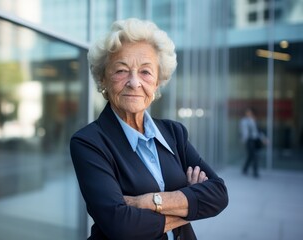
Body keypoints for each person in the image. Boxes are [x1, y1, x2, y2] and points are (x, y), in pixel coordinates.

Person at [70, 18, 229, 240]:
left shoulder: (174, 133)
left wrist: (148, 201)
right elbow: (121, 226)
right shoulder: (89, 142)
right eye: (121, 71)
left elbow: (219, 195)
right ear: (103, 79)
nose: (134, 82)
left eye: (145, 72)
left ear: (157, 82)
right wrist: (190, 204)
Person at [240, 107, 265, 178]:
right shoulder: (244, 121)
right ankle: (255, 172)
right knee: (254, 156)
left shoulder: (254, 120)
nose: (248, 114)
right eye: (247, 112)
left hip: (256, 140)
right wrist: (243, 140)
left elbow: (258, 130)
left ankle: (245, 169)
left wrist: (263, 138)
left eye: (250, 112)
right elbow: (244, 132)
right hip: (249, 140)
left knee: (251, 156)